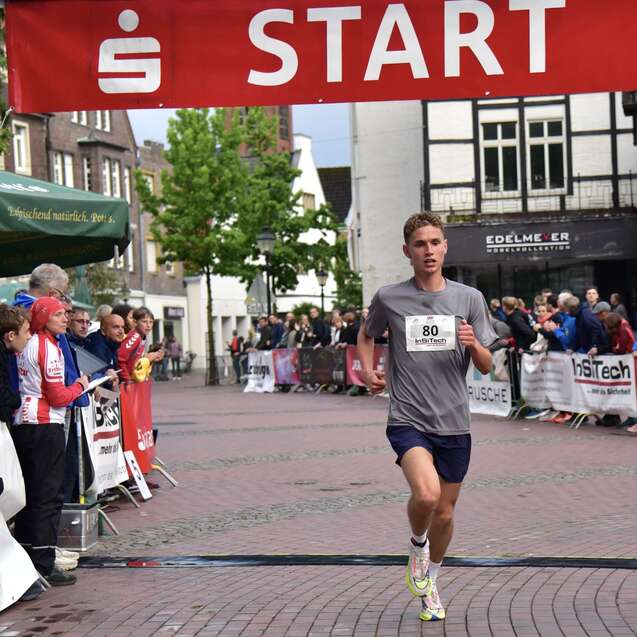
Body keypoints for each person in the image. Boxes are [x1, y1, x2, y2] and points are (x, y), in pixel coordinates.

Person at [358, 212, 496, 623]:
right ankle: (418, 544)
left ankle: (430, 582)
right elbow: (366, 334)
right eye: (420, 244)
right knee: (427, 496)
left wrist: (473, 345)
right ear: (408, 251)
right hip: (408, 416)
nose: (429, 251)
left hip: (454, 420)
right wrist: (368, 370)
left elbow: (487, 365)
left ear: (445, 247)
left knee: (446, 513)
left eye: (435, 242)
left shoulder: (470, 299)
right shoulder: (389, 297)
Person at [13, 297, 89, 587]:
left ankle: (25, 557)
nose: (65, 319)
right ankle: (44, 563)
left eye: (65, 314)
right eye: (58, 314)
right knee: (48, 496)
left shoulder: (29, 342)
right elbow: (58, 396)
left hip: (24, 422)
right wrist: (79, 386)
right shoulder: (48, 346)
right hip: (45, 425)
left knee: (30, 494)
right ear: (44, 318)